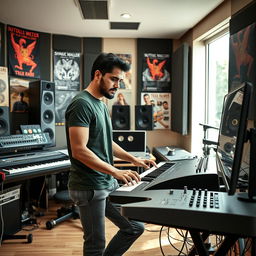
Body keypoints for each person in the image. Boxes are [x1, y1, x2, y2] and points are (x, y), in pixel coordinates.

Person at [65, 53, 156, 256]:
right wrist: (115, 171)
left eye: (120, 81)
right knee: (95, 245)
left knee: (134, 227)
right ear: (98, 75)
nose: (117, 85)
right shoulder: (82, 103)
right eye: (114, 79)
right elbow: (79, 150)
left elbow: (107, 141)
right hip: (88, 186)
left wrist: (133, 159)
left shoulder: (101, 103)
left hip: (104, 182)